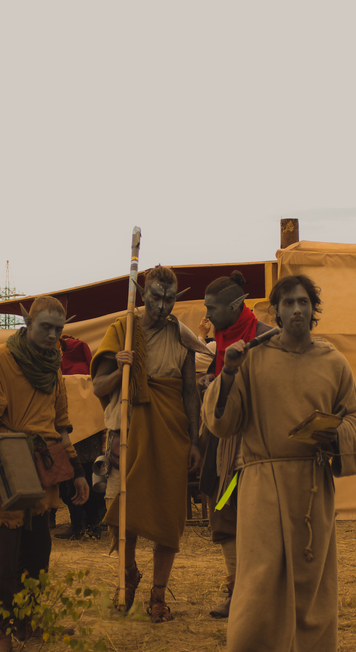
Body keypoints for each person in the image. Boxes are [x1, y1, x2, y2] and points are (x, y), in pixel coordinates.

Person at [202, 274, 356, 652]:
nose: (297, 309)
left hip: (312, 482)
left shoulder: (334, 362)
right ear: (275, 311)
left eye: (304, 302)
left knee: (309, 577)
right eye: (289, 302)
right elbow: (223, 421)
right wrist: (228, 372)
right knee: (263, 575)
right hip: (263, 479)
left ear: (314, 310)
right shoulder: (253, 358)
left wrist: (336, 434)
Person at [0, 295, 89, 652]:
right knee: (3, 554)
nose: (52, 336)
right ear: (28, 323)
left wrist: (77, 471)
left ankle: (27, 620)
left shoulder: (53, 364)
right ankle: (1, 629)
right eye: (46, 328)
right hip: (8, 461)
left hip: (42, 466)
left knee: (38, 550)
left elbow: (60, 424)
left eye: (58, 330)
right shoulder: (0, 358)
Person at [91, 265, 204, 622]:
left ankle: (158, 596)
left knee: (167, 514)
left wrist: (195, 441)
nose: (162, 306)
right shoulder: (122, 331)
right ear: (143, 294)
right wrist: (120, 368)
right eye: (156, 297)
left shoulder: (182, 336)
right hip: (127, 433)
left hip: (170, 432)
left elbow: (190, 392)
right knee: (122, 511)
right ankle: (128, 577)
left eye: (169, 299)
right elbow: (98, 387)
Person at [199, 270, 274, 618]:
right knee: (224, 514)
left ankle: (261, 595)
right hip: (221, 442)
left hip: (255, 446)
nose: (207, 315)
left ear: (234, 306)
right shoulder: (221, 336)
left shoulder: (266, 338)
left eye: (211, 308)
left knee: (259, 521)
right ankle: (236, 593)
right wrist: (212, 381)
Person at [55, 333, 107, 541]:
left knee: (69, 480)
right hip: (93, 439)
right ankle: (94, 524)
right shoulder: (93, 378)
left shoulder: (61, 378)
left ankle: (78, 524)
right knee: (94, 479)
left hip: (69, 439)